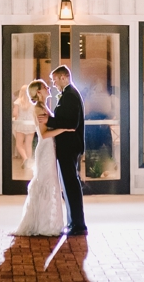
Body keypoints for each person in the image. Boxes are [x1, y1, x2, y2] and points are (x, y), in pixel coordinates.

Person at [13, 79, 70, 236]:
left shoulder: (43, 106)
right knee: (46, 183)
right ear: (38, 92)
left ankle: (47, 222)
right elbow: (44, 134)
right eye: (45, 87)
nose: (48, 88)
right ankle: (43, 225)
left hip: (49, 149)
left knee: (49, 182)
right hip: (45, 149)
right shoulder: (39, 109)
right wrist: (65, 129)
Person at [46, 65, 87, 236]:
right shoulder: (69, 94)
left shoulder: (70, 95)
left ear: (64, 77)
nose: (54, 84)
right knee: (69, 185)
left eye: (55, 80)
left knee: (71, 185)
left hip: (69, 146)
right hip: (67, 145)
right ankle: (73, 222)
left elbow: (70, 123)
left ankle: (78, 224)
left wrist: (49, 120)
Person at [11, 83, 37, 169]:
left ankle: (25, 158)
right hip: (31, 124)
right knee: (28, 144)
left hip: (20, 124)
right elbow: (35, 114)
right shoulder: (33, 102)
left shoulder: (17, 102)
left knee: (19, 144)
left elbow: (15, 114)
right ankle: (28, 162)